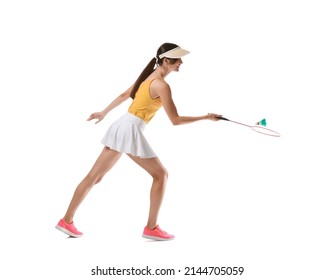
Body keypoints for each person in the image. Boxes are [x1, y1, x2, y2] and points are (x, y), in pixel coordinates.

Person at [55, 43, 221, 241]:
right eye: (177, 59)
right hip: (129, 129)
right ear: (166, 61)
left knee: (95, 177)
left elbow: (125, 95)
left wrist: (104, 112)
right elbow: (175, 120)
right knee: (161, 175)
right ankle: (151, 227)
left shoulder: (148, 76)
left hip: (121, 125)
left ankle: (66, 220)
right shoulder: (161, 85)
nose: (181, 62)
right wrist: (206, 117)